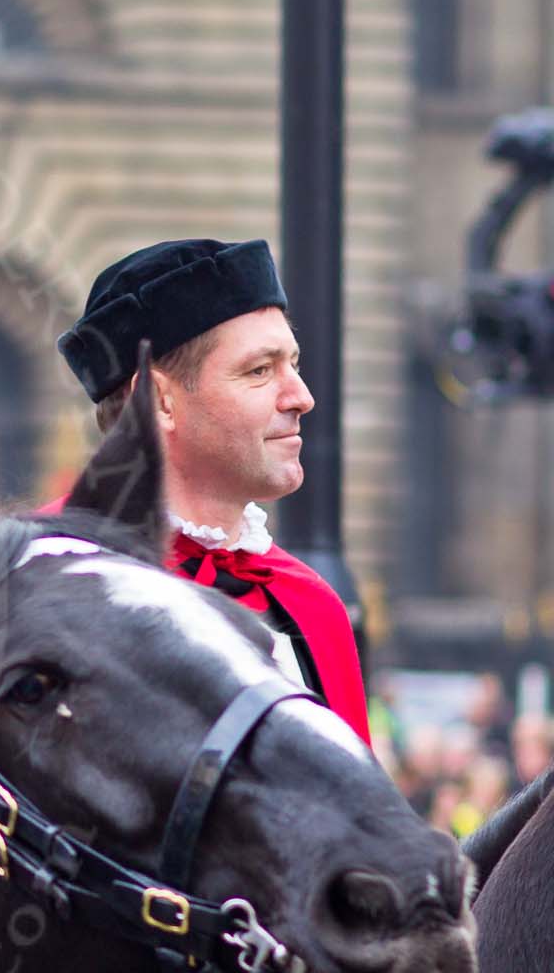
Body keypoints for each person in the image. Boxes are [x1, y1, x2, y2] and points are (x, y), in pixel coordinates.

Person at [55, 238, 369, 739]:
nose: (302, 397)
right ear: (157, 400)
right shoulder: (51, 581)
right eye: (260, 370)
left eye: (294, 364)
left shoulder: (313, 607)